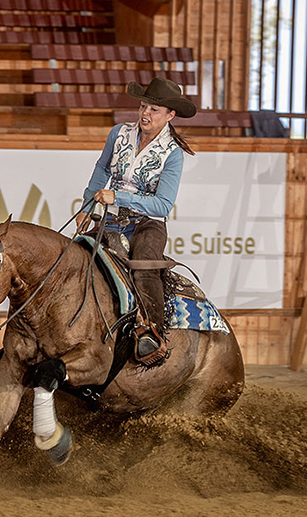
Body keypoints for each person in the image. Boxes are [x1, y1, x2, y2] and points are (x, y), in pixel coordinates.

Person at [75, 77, 197, 361]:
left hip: (147, 224)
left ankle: (152, 335)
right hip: (111, 219)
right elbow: (101, 169)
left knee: (143, 267)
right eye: (143, 106)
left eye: (154, 110)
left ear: (170, 115)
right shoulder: (119, 134)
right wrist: (85, 207)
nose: (145, 114)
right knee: (77, 257)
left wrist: (118, 197)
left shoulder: (172, 154)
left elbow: (162, 205)